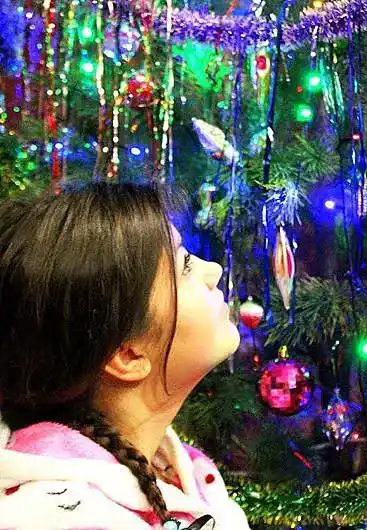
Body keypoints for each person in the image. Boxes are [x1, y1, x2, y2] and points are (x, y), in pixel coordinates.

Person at [0, 183, 250, 530]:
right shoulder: (60, 517)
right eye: (185, 266)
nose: (214, 270)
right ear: (129, 355)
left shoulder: (181, 476)